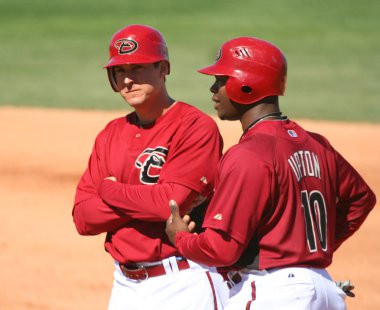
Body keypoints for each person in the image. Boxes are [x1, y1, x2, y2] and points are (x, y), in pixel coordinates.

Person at [166, 36, 376, 309]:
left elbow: (221, 250)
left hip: (274, 293)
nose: (213, 88)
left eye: (221, 80)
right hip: (324, 290)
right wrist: (310, 252)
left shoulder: (248, 154)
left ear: (246, 84)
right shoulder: (318, 144)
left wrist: (180, 238)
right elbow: (361, 199)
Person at [72, 24, 227, 310]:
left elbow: (166, 205)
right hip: (124, 286)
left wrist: (108, 189)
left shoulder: (194, 127)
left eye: (138, 68)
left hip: (184, 281)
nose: (128, 80)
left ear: (163, 68)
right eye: (120, 71)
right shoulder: (110, 133)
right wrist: (148, 198)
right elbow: (83, 218)